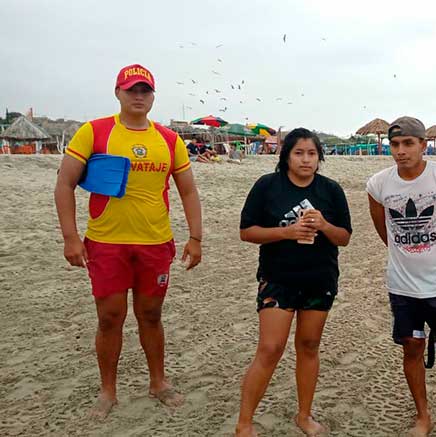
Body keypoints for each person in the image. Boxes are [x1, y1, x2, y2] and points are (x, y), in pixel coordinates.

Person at [54, 64, 203, 419]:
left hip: (155, 242)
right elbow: (64, 184)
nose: (138, 96)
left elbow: (189, 190)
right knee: (110, 317)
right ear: (118, 92)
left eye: (145, 90)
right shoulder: (95, 132)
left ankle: (158, 382)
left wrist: (195, 237)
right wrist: (71, 237)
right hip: (107, 243)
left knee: (151, 315)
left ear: (153, 96)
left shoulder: (168, 139)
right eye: (131, 89)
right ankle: (108, 390)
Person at [235, 128, 352, 437]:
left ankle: (304, 415)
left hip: (319, 279)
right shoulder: (268, 186)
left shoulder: (331, 190)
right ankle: (244, 423)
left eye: (311, 154)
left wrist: (324, 224)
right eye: (298, 153)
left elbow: (344, 238)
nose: (305, 160)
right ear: (286, 156)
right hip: (278, 278)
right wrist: (285, 232)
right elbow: (246, 231)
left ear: (319, 158)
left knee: (309, 346)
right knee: (270, 348)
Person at [367, 116, 436, 437]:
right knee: (411, 346)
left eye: (408, 144)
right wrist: (407, 250)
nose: (400, 151)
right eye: (395, 145)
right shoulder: (378, 184)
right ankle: (423, 414)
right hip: (402, 286)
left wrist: (435, 244)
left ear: (423, 145)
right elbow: (383, 228)